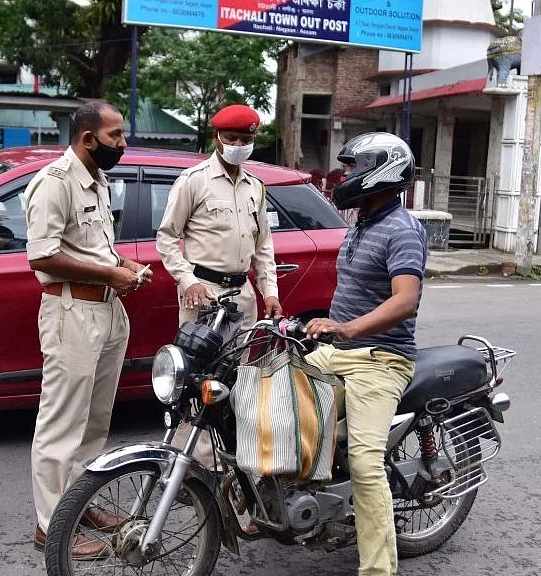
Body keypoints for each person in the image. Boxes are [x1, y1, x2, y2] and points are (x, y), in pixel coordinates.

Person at [25, 101, 152, 559]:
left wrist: (122, 266)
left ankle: (79, 504)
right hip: (72, 312)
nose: (123, 144)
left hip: (107, 312)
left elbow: (93, 249)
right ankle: (50, 527)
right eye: (115, 136)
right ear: (87, 138)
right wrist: (109, 274)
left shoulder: (97, 181)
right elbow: (41, 256)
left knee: (94, 423)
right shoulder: (54, 183)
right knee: (62, 424)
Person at [303, 132, 428, 576]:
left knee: (365, 460)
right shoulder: (362, 221)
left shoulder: (403, 229)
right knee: (269, 393)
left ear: (382, 172)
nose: (347, 176)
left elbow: (405, 299)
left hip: (381, 358)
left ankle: (378, 569)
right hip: (338, 352)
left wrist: (348, 328)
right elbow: (353, 290)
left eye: (355, 168)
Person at [156, 103, 281, 468]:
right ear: (217, 138)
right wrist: (187, 279)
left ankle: (228, 463)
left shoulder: (256, 187)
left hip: (242, 296)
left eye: (246, 138)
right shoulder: (194, 181)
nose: (239, 144)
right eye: (232, 138)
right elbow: (166, 238)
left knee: (236, 383)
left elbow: (263, 246)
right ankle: (187, 464)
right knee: (195, 383)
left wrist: (269, 291)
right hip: (205, 295)